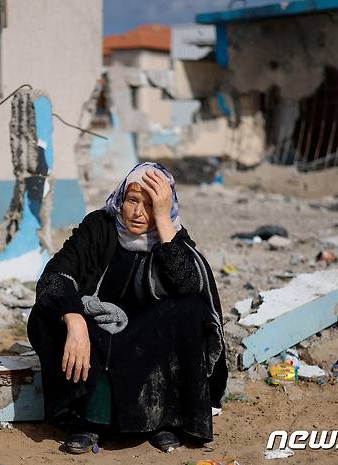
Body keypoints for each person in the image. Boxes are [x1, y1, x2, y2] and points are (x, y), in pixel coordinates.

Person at [27, 162, 228, 454]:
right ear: (121, 199)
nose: (138, 212)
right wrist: (75, 321)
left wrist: (163, 222)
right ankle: (86, 421)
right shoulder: (99, 227)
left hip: (144, 340)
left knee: (190, 311)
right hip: (96, 331)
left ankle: (163, 420)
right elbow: (55, 275)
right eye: (133, 200)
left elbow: (188, 284)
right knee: (45, 316)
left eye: (150, 204)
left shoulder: (171, 237)